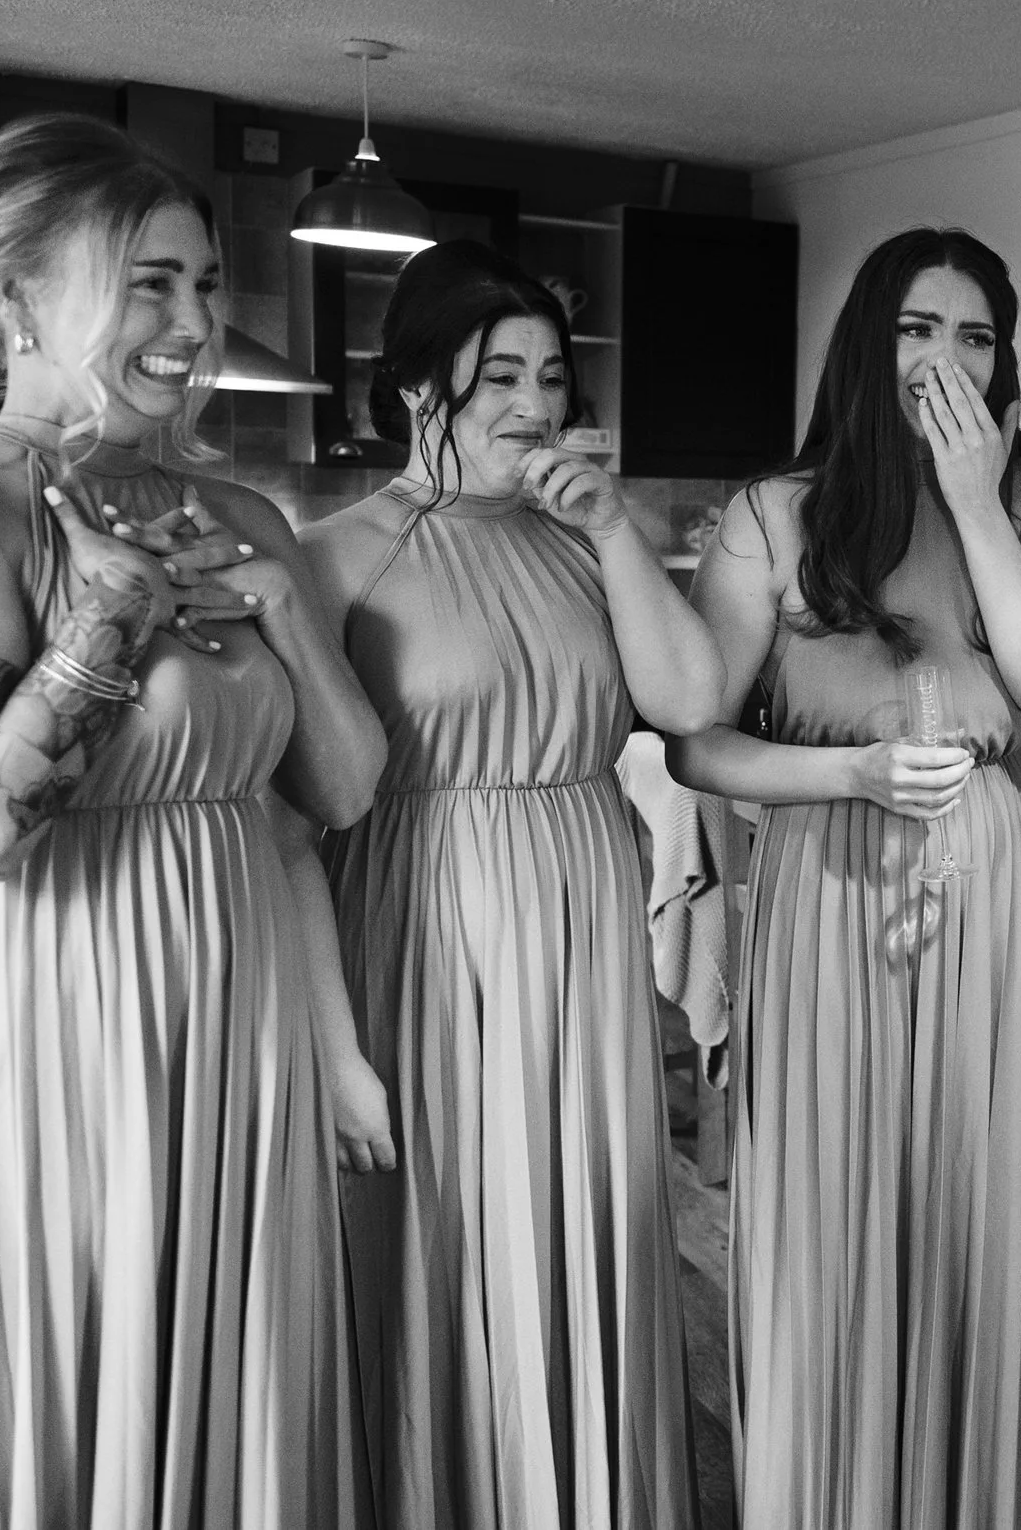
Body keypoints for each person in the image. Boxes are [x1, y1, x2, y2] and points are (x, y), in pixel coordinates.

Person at [0, 112, 387, 1524]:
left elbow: (338, 792)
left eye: (205, 282)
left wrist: (283, 604)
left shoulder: (249, 514)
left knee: (232, 1367)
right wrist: (102, 620)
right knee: (74, 1354)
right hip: (49, 994)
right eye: (147, 282)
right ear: (17, 296)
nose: (191, 320)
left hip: (229, 991)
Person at [671, 227, 1021, 1527]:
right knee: (833, 1203)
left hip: (990, 870)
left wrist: (974, 499)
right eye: (919, 327)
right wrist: (842, 780)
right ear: (869, 340)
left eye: (975, 334)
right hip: (830, 874)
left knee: (973, 1199)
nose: (946, 358)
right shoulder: (772, 514)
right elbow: (699, 740)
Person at [302, 239, 723, 1528]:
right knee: (449, 1230)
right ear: (423, 385)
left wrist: (611, 527)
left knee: (581, 1218)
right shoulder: (333, 556)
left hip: (583, 928)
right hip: (425, 930)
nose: (537, 406)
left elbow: (690, 703)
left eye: (551, 374)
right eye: (501, 376)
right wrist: (327, 1038)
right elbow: (295, 813)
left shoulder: (590, 536)